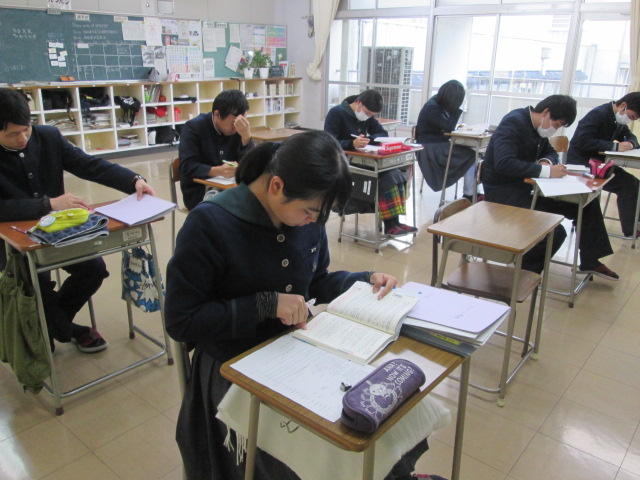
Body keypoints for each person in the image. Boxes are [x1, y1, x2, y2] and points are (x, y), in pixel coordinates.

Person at [165, 130, 433, 480]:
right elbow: (181, 320)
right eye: (309, 211)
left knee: (375, 414)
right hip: (231, 366)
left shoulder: (307, 220)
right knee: (311, 454)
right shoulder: (210, 223)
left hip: (294, 352)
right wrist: (265, 304)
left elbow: (316, 282)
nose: (314, 222)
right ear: (276, 186)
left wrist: (365, 280)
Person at [0, 88, 157, 353]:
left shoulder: (48, 137)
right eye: (13, 134)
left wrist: (133, 181)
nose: (23, 138)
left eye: (26, 130)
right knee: (33, 285)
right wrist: (48, 204)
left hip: (58, 232)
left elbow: (88, 165)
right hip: (11, 243)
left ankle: (49, 327)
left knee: (94, 269)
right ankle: (66, 330)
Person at [481, 94, 619, 279]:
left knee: (586, 205)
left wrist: (546, 162)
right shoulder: (514, 123)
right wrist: (546, 171)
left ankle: (590, 260)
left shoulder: (536, 127)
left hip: (529, 189)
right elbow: (504, 163)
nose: (555, 129)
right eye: (557, 124)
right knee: (554, 233)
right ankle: (523, 275)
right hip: (505, 194)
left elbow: (551, 151)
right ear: (546, 112)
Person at [324, 89, 417, 237]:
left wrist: (369, 140)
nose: (367, 117)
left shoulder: (367, 117)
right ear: (359, 103)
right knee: (386, 177)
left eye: (371, 115)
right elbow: (329, 142)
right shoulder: (336, 113)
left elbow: (382, 133)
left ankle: (395, 223)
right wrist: (351, 143)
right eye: (367, 113)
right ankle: (390, 225)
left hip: (363, 161)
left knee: (395, 173)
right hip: (345, 166)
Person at [566, 92, 640, 238]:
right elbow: (583, 141)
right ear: (623, 106)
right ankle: (631, 229)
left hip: (600, 164)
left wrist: (631, 143)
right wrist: (615, 146)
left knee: (634, 183)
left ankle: (633, 225)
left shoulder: (617, 119)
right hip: (582, 164)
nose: (629, 120)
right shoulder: (598, 114)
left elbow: (629, 136)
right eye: (631, 117)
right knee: (628, 185)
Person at [179, 89, 254, 210]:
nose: (236, 128)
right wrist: (217, 171)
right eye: (233, 123)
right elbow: (186, 166)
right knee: (238, 209)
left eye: (241, 122)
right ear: (217, 115)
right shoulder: (193, 128)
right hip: (199, 191)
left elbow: (252, 166)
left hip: (231, 188)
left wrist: (246, 138)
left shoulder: (238, 130)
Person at [415, 80, 477, 200]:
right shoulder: (432, 107)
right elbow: (449, 126)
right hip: (430, 148)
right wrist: (455, 111)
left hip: (439, 143)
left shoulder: (439, 102)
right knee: (471, 156)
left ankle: (471, 192)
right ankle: (469, 194)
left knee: (472, 154)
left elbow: (447, 127)